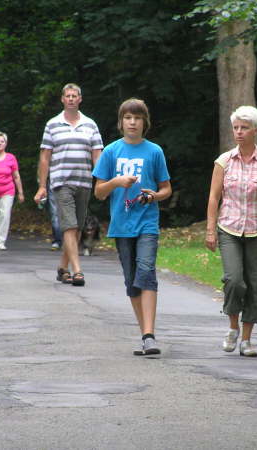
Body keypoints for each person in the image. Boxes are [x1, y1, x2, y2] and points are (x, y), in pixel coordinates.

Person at [93, 98, 172, 356]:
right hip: (121, 224)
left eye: (137, 118)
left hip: (147, 222)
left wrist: (154, 196)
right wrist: (116, 181)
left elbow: (166, 189)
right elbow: (98, 193)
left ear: (144, 123)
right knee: (132, 282)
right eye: (128, 118)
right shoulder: (111, 152)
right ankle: (144, 335)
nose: (132, 122)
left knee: (146, 272)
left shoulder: (154, 151)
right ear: (121, 122)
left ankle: (150, 335)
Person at [205, 105, 257, 357]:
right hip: (228, 228)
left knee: (255, 283)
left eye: (244, 128)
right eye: (236, 127)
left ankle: (247, 340)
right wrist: (209, 230)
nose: (239, 132)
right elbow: (213, 197)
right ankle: (232, 328)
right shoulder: (224, 161)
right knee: (234, 280)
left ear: (255, 131)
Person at [34, 83, 103, 287]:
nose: (71, 98)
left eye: (75, 95)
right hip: (61, 182)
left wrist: (100, 181)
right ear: (62, 99)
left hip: (84, 181)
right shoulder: (52, 124)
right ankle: (77, 270)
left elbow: (97, 155)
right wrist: (42, 186)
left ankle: (63, 267)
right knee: (69, 225)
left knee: (77, 228)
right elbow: (45, 157)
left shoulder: (90, 124)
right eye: (68, 96)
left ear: (80, 99)